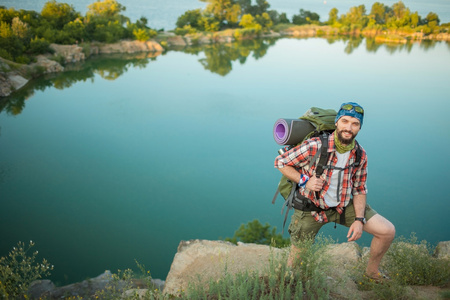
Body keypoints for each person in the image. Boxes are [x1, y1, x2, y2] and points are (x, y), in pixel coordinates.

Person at [274, 102, 395, 280]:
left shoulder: (360, 154)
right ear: (337, 122)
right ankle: (288, 283)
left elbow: (360, 188)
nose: (349, 127)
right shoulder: (315, 145)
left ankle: (372, 273)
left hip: (343, 206)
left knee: (387, 231)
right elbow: (281, 162)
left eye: (355, 124)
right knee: (294, 266)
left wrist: (359, 220)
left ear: (359, 128)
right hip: (311, 207)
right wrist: (305, 180)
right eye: (345, 121)